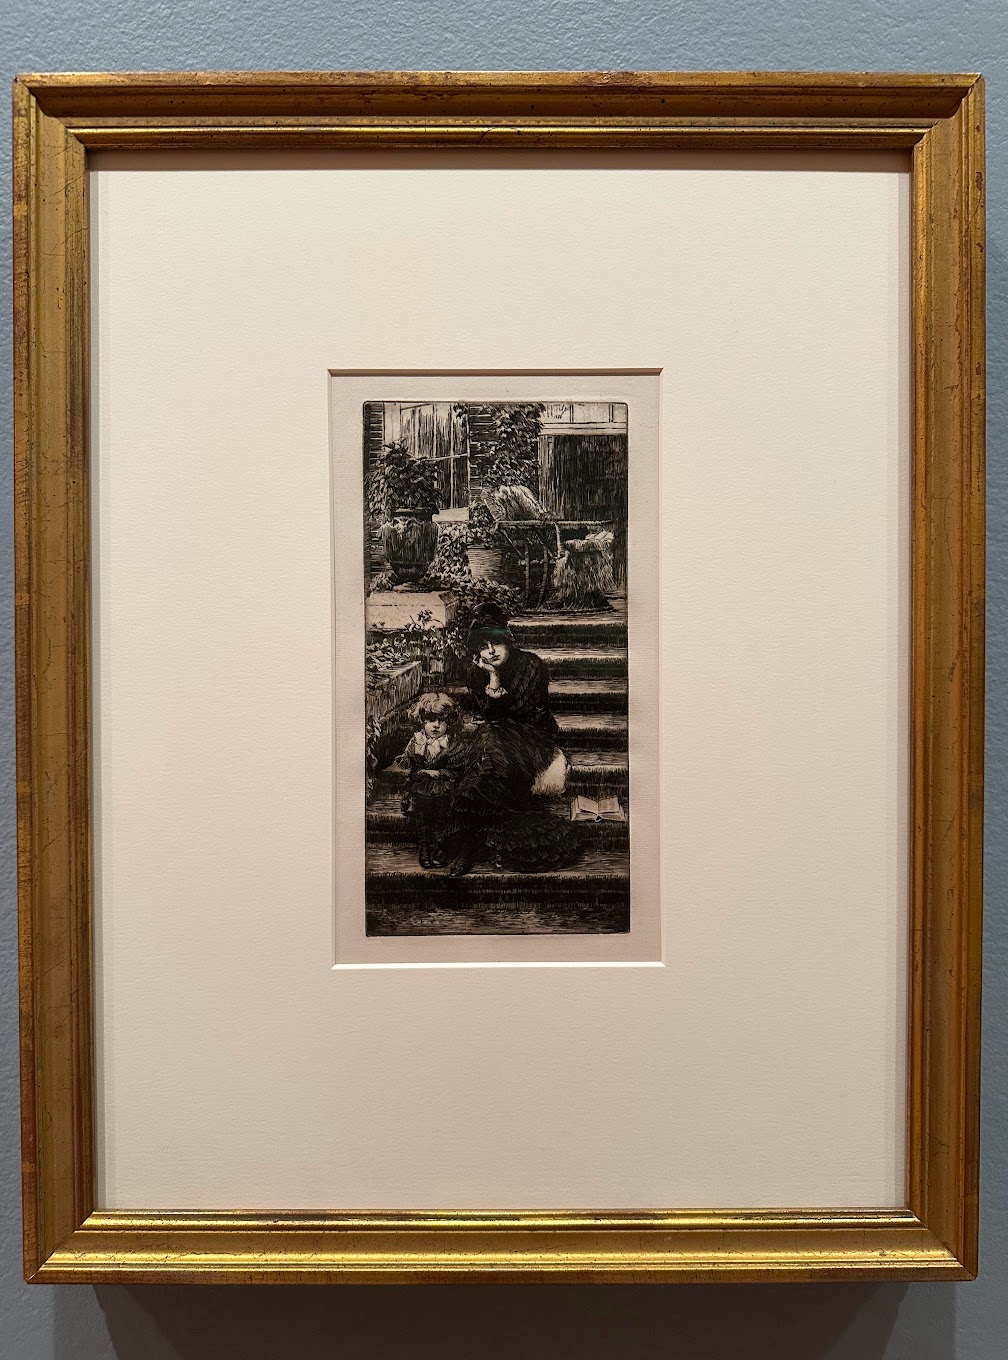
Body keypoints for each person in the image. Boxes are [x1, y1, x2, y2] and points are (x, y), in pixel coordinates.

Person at [446, 603, 579, 877]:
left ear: (508, 641)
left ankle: (468, 843)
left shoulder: (532, 666)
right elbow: (490, 716)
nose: (491, 651)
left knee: (490, 738)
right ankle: (470, 840)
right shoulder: (476, 673)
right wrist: (493, 677)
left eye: (496, 643)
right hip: (498, 738)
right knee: (489, 740)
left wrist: (496, 685)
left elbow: (525, 714)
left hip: (533, 737)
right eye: (483, 646)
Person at [396, 692, 464, 868]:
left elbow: (458, 769)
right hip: (421, 787)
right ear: (423, 721)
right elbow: (407, 764)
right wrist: (417, 751)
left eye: (442, 721)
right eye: (431, 720)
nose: (436, 725)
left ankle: (441, 847)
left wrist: (439, 773)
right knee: (423, 814)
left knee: (444, 814)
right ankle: (425, 847)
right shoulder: (418, 740)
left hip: (444, 787)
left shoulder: (452, 743)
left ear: (449, 723)